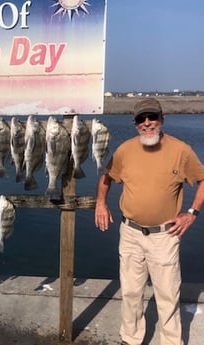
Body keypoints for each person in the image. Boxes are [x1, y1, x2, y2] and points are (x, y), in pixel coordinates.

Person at [95, 98, 204, 345]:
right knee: (131, 292)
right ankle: (131, 339)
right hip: (131, 234)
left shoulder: (181, 150)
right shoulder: (124, 150)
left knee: (167, 295)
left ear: (162, 119)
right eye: (141, 119)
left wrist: (191, 213)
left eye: (152, 117)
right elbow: (107, 177)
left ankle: (171, 341)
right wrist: (101, 203)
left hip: (165, 236)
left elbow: (202, 179)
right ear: (135, 124)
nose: (147, 123)